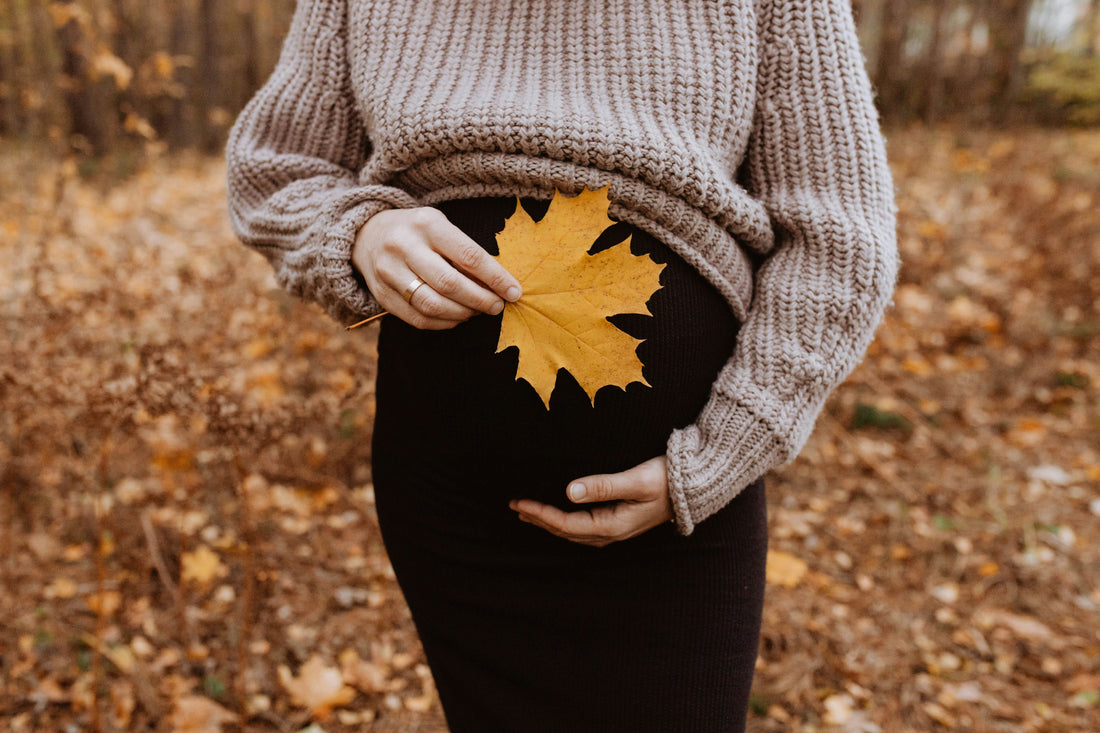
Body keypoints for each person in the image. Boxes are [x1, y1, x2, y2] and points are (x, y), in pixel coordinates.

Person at [226, 1, 898, 730]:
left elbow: (841, 239)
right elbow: (275, 169)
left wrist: (721, 456)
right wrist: (358, 229)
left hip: (676, 522)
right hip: (451, 507)